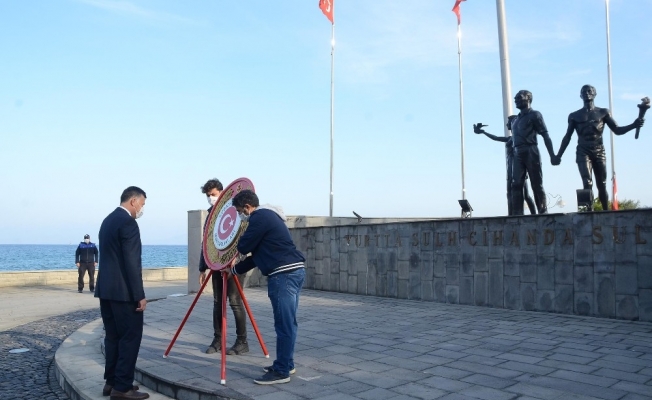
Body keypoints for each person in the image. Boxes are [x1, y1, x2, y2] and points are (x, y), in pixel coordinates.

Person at [230, 190, 306, 385]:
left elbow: (244, 247)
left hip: (283, 275)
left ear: (247, 207)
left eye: (239, 211)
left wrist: (239, 239)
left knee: (284, 324)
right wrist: (234, 270)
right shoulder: (269, 217)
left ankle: (281, 372)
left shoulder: (260, 216)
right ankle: (286, 363)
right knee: (289, 323)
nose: (240, 216)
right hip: (293, 271)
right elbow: (256, 256)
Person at [95, 186, 150, 400]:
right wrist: (139, 295)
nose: (142, 209)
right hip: (124, 293)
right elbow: (131, 262)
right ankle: (123, 387)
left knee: (113, 337)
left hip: (106, 290)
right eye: (142, 204)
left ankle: (112, 382)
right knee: (130, 338)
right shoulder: (128, 223)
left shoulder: (107, 220)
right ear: (133, 201)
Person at [556, 84, 645, 210]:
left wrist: (633, 125)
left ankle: (605, 211)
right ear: (580, 95)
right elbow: (567, 137)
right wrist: (558, 155)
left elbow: (617, 130)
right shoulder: (574, 116)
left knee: (601, 184)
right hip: (583, 150)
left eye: (589, 91)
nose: (587, 93)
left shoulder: (603, 112)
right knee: (587, 182)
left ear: (595, 94)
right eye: (584, 91)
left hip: (598, 150)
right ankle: (589, 211)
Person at [198, 178, 249, 355]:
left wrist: (238, 257)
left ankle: (242, 341)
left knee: (235, 302)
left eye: (213, 194)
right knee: (217, 302)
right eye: (208, 195)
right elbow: (207, 243)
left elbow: (245, 235)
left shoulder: (236, 208)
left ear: (222, 192)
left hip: (234, 264)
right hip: (217, 265)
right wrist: (202, 267)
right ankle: (218, 339)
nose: (210, 198)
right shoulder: (211, 215)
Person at [510, 90, 558, 215]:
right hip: (517, 152)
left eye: (519, 97)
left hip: (530, 150)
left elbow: (545, 135)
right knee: (516, 184)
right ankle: (517, 214)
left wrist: (552, 155)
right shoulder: (515, 120)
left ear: (528, 98)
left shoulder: (535, 115)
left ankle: (542, 211)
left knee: (536, 183)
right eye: (515, 98)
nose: (516, 100)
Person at [473, 119, 536, 215]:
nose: (507, 124)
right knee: (510, 192)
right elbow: (495, 138)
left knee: (525, 194)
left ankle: (534, 214)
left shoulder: (520, 138)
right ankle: (511, 214)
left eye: (509, 122)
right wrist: (483, 132)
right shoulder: (510, 138)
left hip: (518, 167)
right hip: (510, 166)